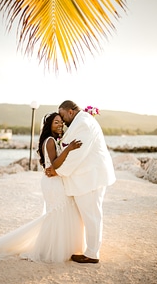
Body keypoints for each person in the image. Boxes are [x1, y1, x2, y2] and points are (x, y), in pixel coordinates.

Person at [0, 112, 85, 264]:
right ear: (49, 125)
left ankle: (56, 247)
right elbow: (54, 164)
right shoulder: (51, 141)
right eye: (56, 122)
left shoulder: (53, 140)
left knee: (58, 213)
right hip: (53, 182)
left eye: (61, 122)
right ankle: (51, 250)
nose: (60, 125)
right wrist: (69, 148)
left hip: (52, 180)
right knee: (58, 213)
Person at [46, 101, 116, 264]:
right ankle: (89, 248)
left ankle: (92, 253)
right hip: (87, 178)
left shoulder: (83, 123)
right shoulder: (82, 121)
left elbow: (78, 154)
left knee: (92, 215)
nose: (62, 121)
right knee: (89, 215)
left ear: (70, 111)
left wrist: (58, 171)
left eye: (62, 116)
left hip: (90, 178)